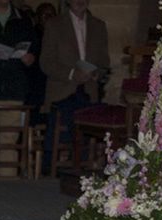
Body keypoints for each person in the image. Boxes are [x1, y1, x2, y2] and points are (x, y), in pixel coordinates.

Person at [39, 0, 108, 172]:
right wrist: (71, 73)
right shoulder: (54, 25)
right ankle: (59, 167)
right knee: (69, 119)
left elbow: (104, 62)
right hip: (63, 90)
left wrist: (96, 73)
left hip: (89, 90)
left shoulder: (98, 26)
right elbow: (46, 62)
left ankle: (84, 167)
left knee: (95, 118)